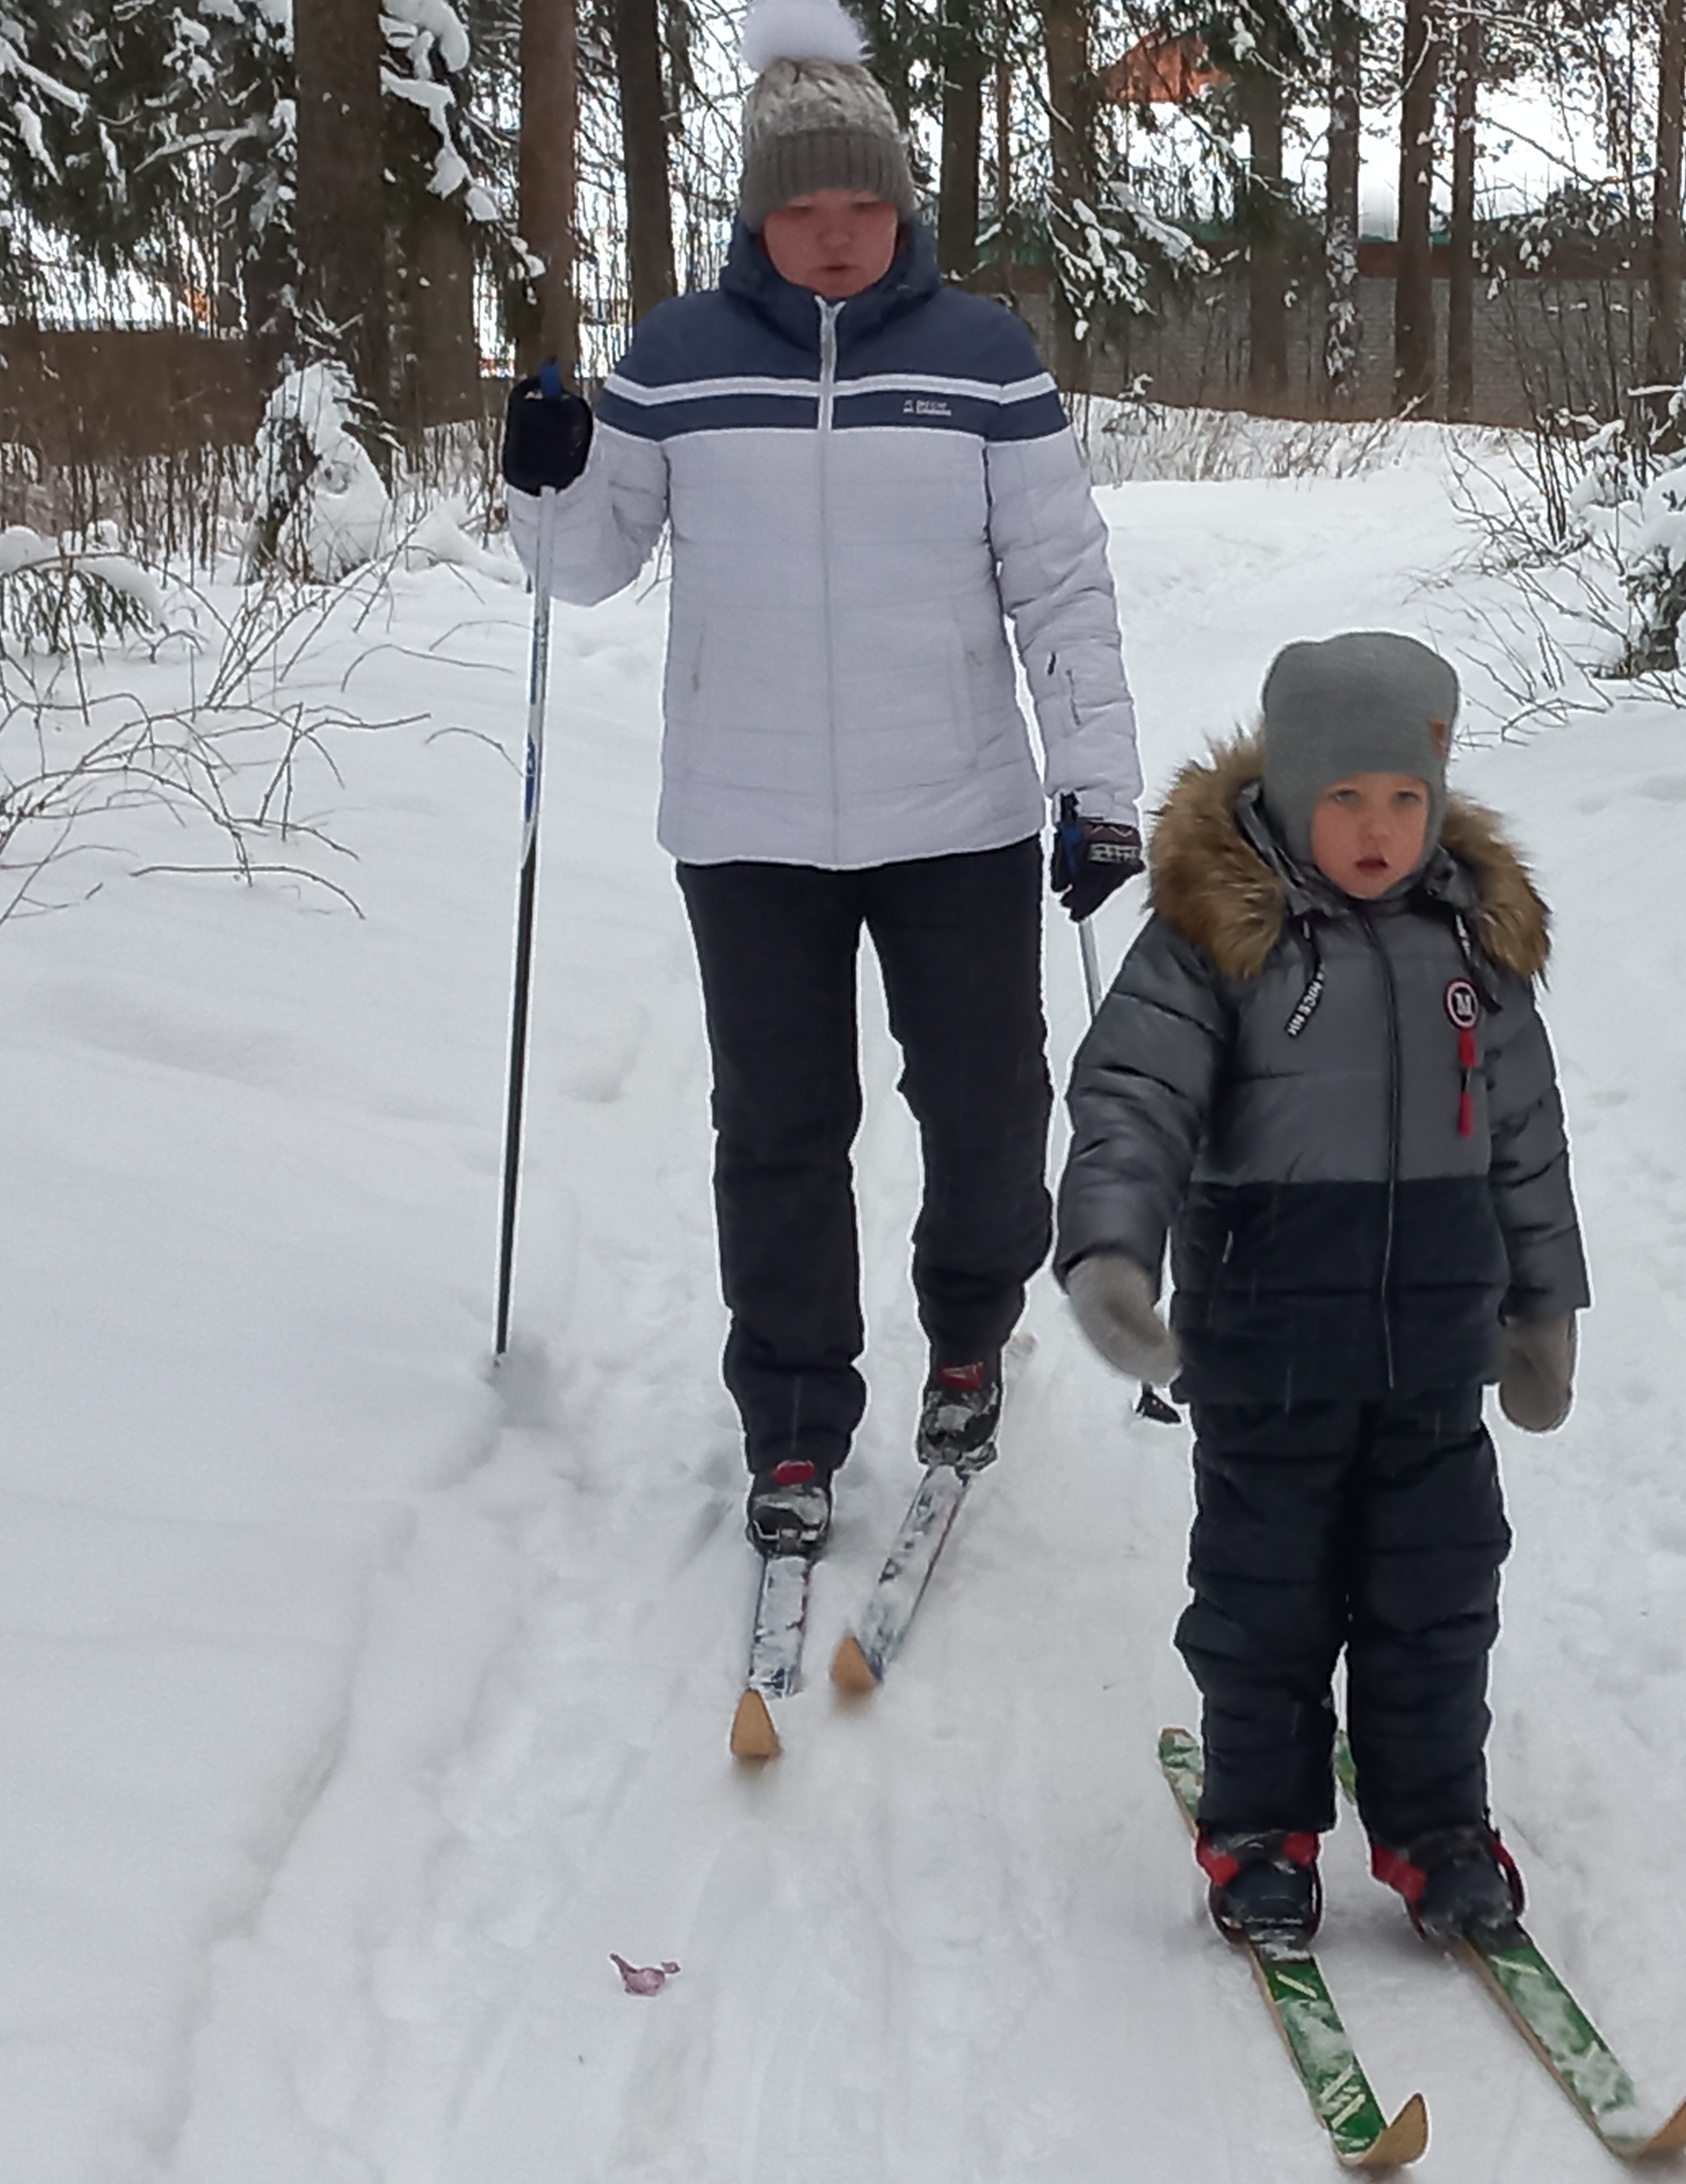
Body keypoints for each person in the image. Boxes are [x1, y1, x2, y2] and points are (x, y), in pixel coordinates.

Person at [497, 0, 1145, 1559]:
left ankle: (971, 1341)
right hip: (747, 822)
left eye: (864, 205)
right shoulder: (678, 356)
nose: (837, 236)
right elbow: (583, 571)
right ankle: (793, 1420)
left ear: (903, 207)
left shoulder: (984, 358)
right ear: (757, 213)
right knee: (779, 1130)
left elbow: (1059, 586)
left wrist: (1097, 789)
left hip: (961, 815)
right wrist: (544, 468)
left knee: (987, 1110)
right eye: (805, 207)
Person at [1054, 632, 1586, 1946]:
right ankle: (1259, 1829)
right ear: (1289, 789)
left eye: (1402, 799)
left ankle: (1434, 1828)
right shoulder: (1212, 938)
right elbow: (1132, 1100)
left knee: (1438, 1596)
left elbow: (1526, 1135)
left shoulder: (1474, 941)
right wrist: (1112, 1251)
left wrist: (1543, 1307)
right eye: (1343, 798)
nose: (1374, 828)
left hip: (1429, 1357)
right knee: (1264, 1602)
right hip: (1264, 1349)